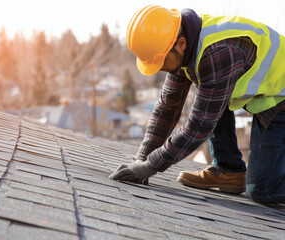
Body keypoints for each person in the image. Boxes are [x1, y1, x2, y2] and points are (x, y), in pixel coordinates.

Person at [109, 5, 285, 203]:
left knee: (263, 190)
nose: (160, 69)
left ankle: (242, 175)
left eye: (161, 61)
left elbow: (199, 127)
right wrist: (141, 159)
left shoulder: (217, 53)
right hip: (268, 94)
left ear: (181, 44)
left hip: (281, 101)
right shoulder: (184, 43)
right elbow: (167, 108)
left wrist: (150, 166)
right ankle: (229, 171)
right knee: (211, 98)